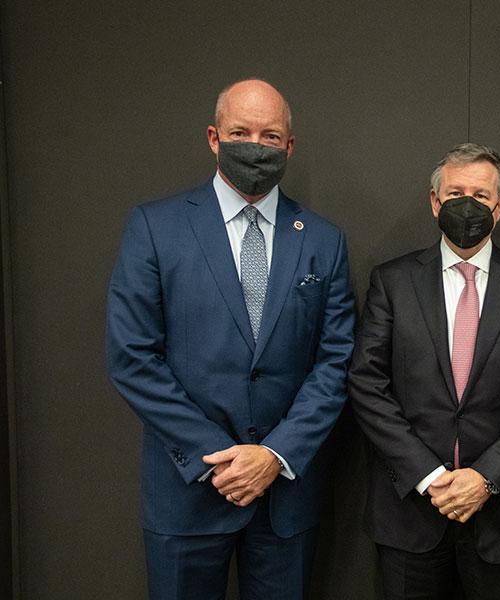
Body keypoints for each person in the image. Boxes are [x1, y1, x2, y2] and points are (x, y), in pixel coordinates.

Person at [106, 78, 355, 600]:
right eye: (241, 132)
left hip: (285, 493)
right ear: (214, 138)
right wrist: (218, 456)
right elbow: (133, 357)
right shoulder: (156, 227)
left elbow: (335, 362)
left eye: (270, 136)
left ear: (289, 146)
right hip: (188, 491)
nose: (255, 147)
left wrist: (273, 456)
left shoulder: (325, 241)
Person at [349, 143, 500, 600]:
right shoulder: (392, 282)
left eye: (481, 195)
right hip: (410, 513)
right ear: (434, 202)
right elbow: (367, 385)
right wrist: (430, 477)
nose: (467, 205)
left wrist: (486, 477)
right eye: (455, 194)